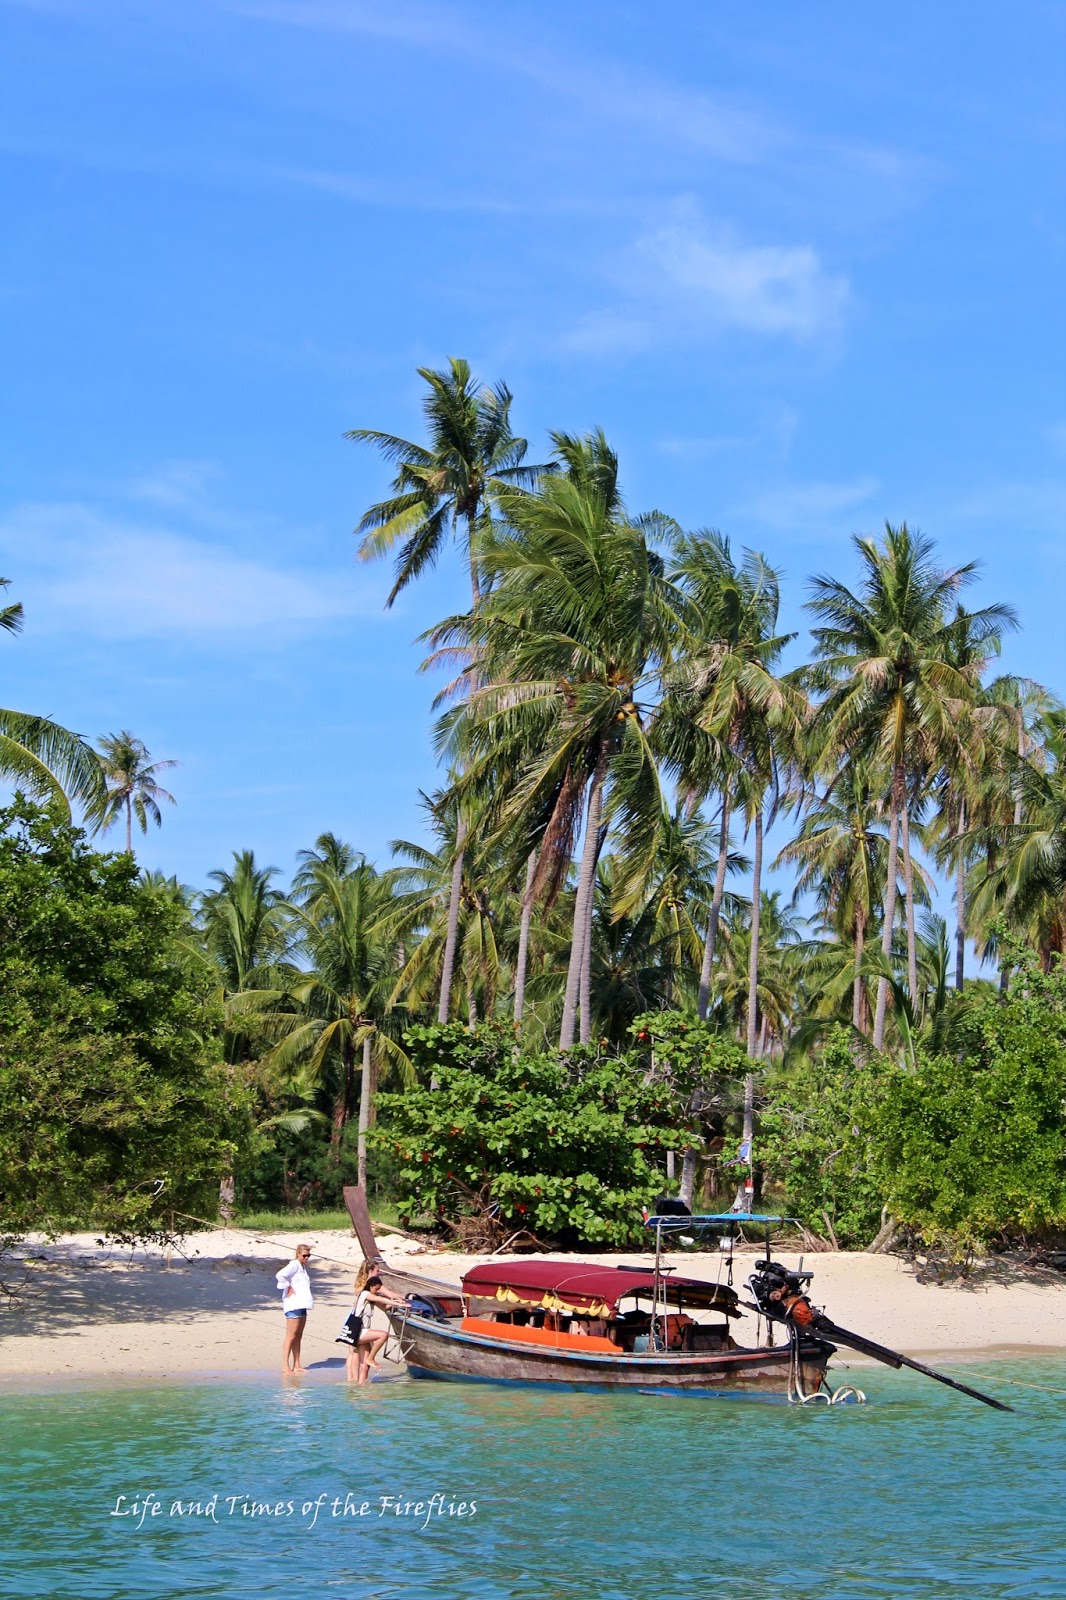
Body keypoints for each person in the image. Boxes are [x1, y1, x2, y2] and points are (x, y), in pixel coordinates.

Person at [347, 1263, 406, 1384]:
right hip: (357, 1331)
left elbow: (384, 1306)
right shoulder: (365, 1293)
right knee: (383, 1335)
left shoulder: (369, 1294)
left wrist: (400, 1302)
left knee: (365, 1365)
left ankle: (360, 1386)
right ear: (372, 1286)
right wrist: (399, 1302)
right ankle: (371, 1358)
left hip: (362, 1330)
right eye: (377, 1289)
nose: (378, 1291)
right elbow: (382, 1298)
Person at [276, 1243, 314, 1373]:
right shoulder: (294, 1265)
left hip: (302, 1304)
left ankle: (297, 1364)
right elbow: (280, 1275)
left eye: (308, 1256)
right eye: (304, 1255)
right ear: (298, 1254)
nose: (306, 1258)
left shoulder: (302, 1267)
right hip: (293, 1304)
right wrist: (288, 1286)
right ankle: (285, 1365)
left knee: (298, 1336)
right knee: (290, 1336)